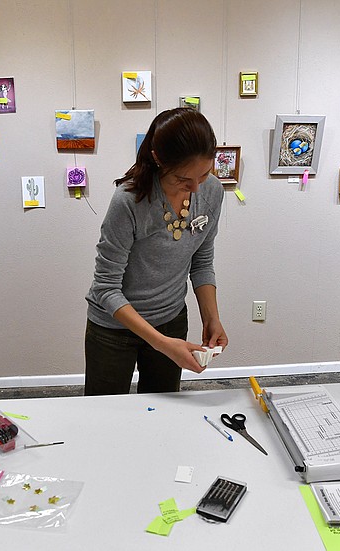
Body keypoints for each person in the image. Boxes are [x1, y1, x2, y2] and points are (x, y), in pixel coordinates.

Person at [84, 108, 228, 396]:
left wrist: (211, 317)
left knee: (163, 411)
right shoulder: (129, 201)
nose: (197, 188)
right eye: (184, 179)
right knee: (105, 416)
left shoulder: (212, 191)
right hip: (113, 327)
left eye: (205, 174)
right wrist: (162, 343)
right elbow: (105, 288)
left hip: (171, 317)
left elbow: (201, 261)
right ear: (160, 160)